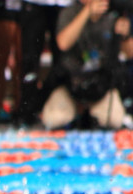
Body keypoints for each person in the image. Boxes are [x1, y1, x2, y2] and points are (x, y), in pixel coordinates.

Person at [40, 0, 129, 129]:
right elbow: (63, 43)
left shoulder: (114, 13)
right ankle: (78, 115)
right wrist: (87, 12)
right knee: (54, 119)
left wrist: (125, 35)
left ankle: (90, 116)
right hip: (71, 85)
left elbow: (130, 52)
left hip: (102, 87)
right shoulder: (69, 12)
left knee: (114, 120)